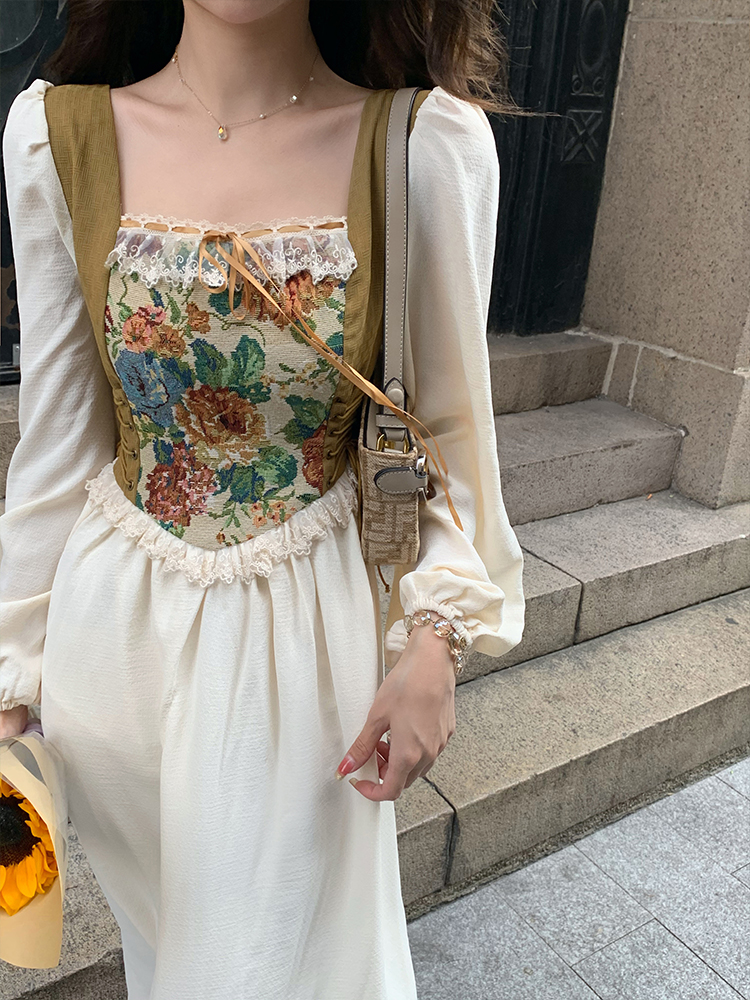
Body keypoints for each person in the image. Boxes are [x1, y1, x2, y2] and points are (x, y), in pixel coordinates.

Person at [0, 1, 525, 997]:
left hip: (306, 655)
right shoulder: (58, 138)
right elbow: (59, 441)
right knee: (175, 962)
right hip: (111, 652)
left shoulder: (421, 148)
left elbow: (452, 435)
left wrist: (436, 640)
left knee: (286, 967)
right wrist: (13, 678)